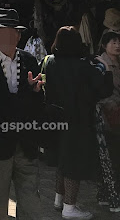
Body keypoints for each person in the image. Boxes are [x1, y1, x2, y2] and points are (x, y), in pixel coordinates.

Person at [0, 8, 44, 220]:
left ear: (18, 35)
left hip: (25, 144)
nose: (2, 36)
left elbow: (36, 105)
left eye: (8, 32)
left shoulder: (29, 60)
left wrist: (36, 91)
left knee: (31, 202)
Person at [42, 26, 108, 219]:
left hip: (53, 119)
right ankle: (69, 207)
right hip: (78, 121)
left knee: (62, 161)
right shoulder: (84, 66)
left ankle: (58, 199)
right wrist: (105, 67)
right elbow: (102, 89)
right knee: (73, 164)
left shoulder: (48, 61)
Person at [95, 30, 120, 213]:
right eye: (113, 42)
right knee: (111, 158)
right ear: (104, 45)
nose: (117, 45)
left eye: (119, 42)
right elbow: (101, 93)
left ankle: (105, 194)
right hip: (108, 117)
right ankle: (111, 196)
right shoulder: (100, 64)